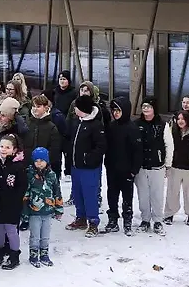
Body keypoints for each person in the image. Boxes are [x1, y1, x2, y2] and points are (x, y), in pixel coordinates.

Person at [65, 94, 107, 237]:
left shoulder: (96, 125)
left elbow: (101, 146)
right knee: (78, 194)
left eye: (76, 107)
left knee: (90, 195)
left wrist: (89, 158)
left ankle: (93, 222)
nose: (74, 109)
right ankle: (81, 218)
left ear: (82, 109)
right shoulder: (76, 122)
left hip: (89, 168)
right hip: (76, 165)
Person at [103, 97, 143, 235]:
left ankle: (127, 221)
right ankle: (113, 219)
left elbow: (138, 151)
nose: (115, 113)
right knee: (112, 195)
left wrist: (134, 170)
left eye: (118, 110)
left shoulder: (132, 128)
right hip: (112, 169)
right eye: (114, 110)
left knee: (127, 197)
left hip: (127, 170)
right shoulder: (111, 127)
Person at [0, 135, 27, 270]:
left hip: (11, 205)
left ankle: (14, 255)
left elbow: (22, 187)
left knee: (11, 231)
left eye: (7, 147)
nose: (3, 149)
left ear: (14, 150)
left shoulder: (18, 166)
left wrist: (15, 201)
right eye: (1, 146)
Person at [134, 98, 171, 235]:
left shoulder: (163, 125)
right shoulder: (136, 124)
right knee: (143, 195)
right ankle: (145, 220)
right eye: (144, 106)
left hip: (157, 166)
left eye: (149, 106)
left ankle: (157, 220)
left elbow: (169, 145)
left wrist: (168, 164)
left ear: (154, 108)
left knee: (157, 195)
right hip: (141, 167)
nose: (146, 109)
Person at [24, 148, 62, 268]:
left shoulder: (51, 175)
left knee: (45, 235)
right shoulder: (29, 174)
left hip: (48, 211)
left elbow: (57, 191)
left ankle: (44, 254)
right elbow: (26, 194)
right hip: (34, 211)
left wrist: (59, 208)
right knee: (35, 235)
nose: (39, 163)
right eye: (36, 161)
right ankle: (33, 254)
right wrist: (24, 212)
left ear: (47, 161)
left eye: (42, 160)